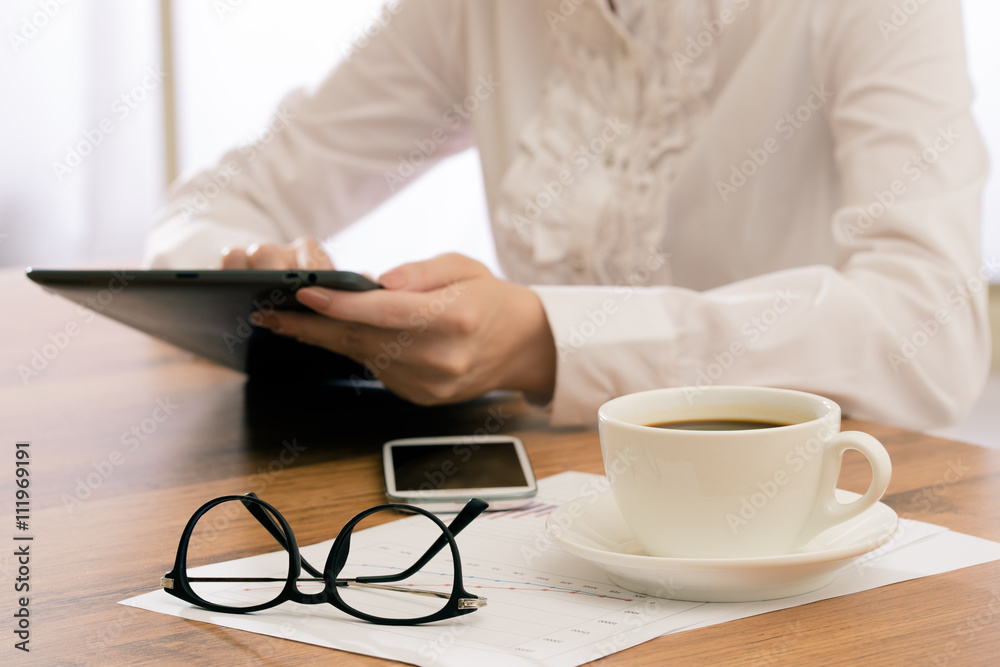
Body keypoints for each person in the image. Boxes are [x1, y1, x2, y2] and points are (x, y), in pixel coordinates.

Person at [144, 0, 991, 430]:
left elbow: (933, 329)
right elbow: (207, 207)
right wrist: (257, 275)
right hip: (552, 529)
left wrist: (546, 336)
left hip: (826, 526)